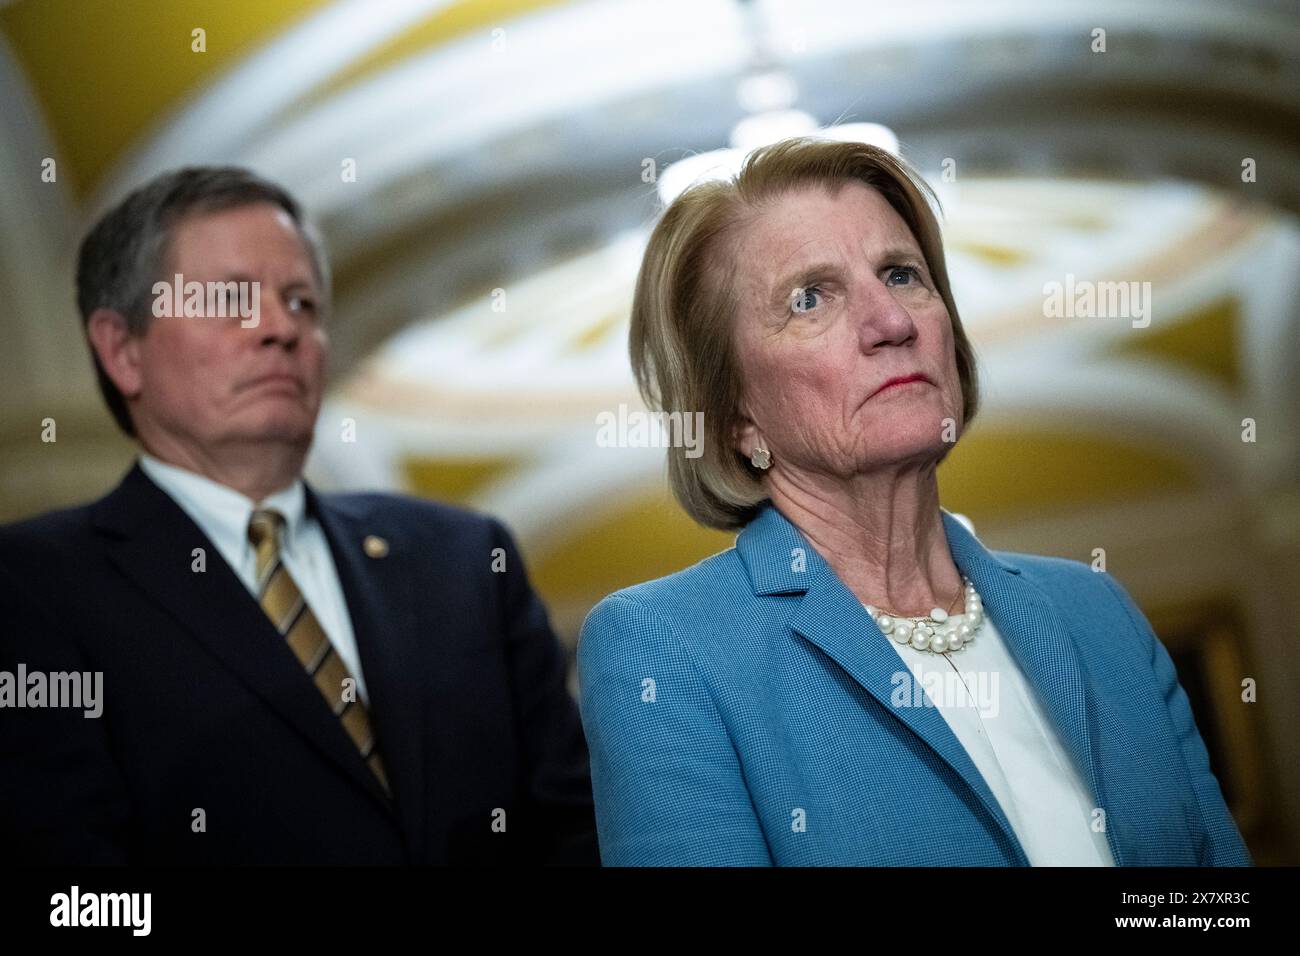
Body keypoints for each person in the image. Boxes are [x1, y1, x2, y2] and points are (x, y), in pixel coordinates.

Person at [577, 137, 1251, 866]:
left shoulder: (1098, 612)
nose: (890, 322)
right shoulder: (667, 650)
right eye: (810, 298)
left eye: (901, 275)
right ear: (734, 412)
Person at [0, 167, 598, 865]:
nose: (281, 328)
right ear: (121, 349)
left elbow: (575, 835)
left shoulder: (466, 560)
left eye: (302, 302)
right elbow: (67, 899)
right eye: (230, 299)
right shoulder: (36, 587)